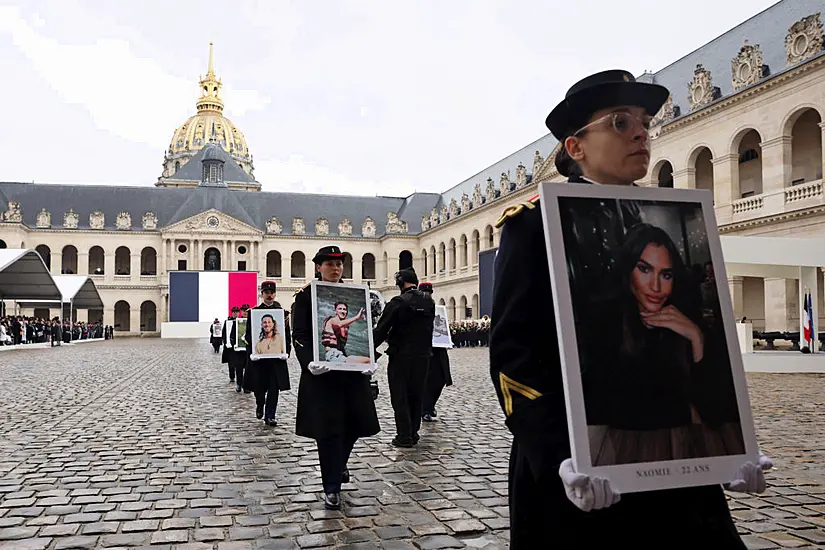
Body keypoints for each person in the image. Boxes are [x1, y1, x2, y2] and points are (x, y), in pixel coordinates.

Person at [489, 69, 772, 548]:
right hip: (581, 470)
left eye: (644, 121)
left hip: (675, 465)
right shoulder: (532, 225)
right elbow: (514, 357)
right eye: (620, 122)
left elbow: (698, 372)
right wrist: (561, 453)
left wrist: (728, 447)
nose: (641, 132)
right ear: (575, 147)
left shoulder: (671, 224)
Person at [292, 245, 380, 510]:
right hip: (323, 375)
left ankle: (339, 464)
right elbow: (300, 335)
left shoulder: (354, 293)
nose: (336, 268)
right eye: (329, 264)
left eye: (339, 264)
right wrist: (308, 362)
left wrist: (371, 359)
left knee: (354, 425)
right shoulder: (306, 296)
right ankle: (331, 486)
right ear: (318, 267)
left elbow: (367, 331)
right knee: (327, 431)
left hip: (351, 376)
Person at [373, 267, 435, 447]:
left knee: (400, 396)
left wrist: (368, 349)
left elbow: (381, 329)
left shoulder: (398, 302)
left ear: (400, 283)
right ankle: (414, 431)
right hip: (423, 356)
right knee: (416, 394)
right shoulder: (429, 302)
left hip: (401, 356)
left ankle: (404, 435)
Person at [246, 281, 291, 426]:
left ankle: (270, 415)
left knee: (274, 388)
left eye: (271, 293)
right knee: (259, 387)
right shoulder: (254, 312)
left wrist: (287, 351)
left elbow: (286, 335)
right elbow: (248, 335)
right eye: (266, 292)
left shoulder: (282, 313)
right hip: (260, 359)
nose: (269, 295)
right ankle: (260, 404)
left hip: (276, 358)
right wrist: (251, 352)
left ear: (275, 294)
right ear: (262, 294)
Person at [418, 282, 453, 422]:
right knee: (426, 381)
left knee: (440, 380)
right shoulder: (416, 309)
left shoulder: (437, 310)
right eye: (425, 293)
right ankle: (425, 409)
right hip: (423, 351)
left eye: (429, 293)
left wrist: (447, 339)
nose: (428, 295)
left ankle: (431, 405)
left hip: (439, 351)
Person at [221, 307, 239, 384]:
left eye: (237, 312)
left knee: (239, 363)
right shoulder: (227, 322)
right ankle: (232, 376)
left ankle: (239, 377)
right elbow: (224, 333)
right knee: (231, 363)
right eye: (234, 312)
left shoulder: (241, 321)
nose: (235, 313)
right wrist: (226, 342)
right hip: (230, 347)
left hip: (239, 346)